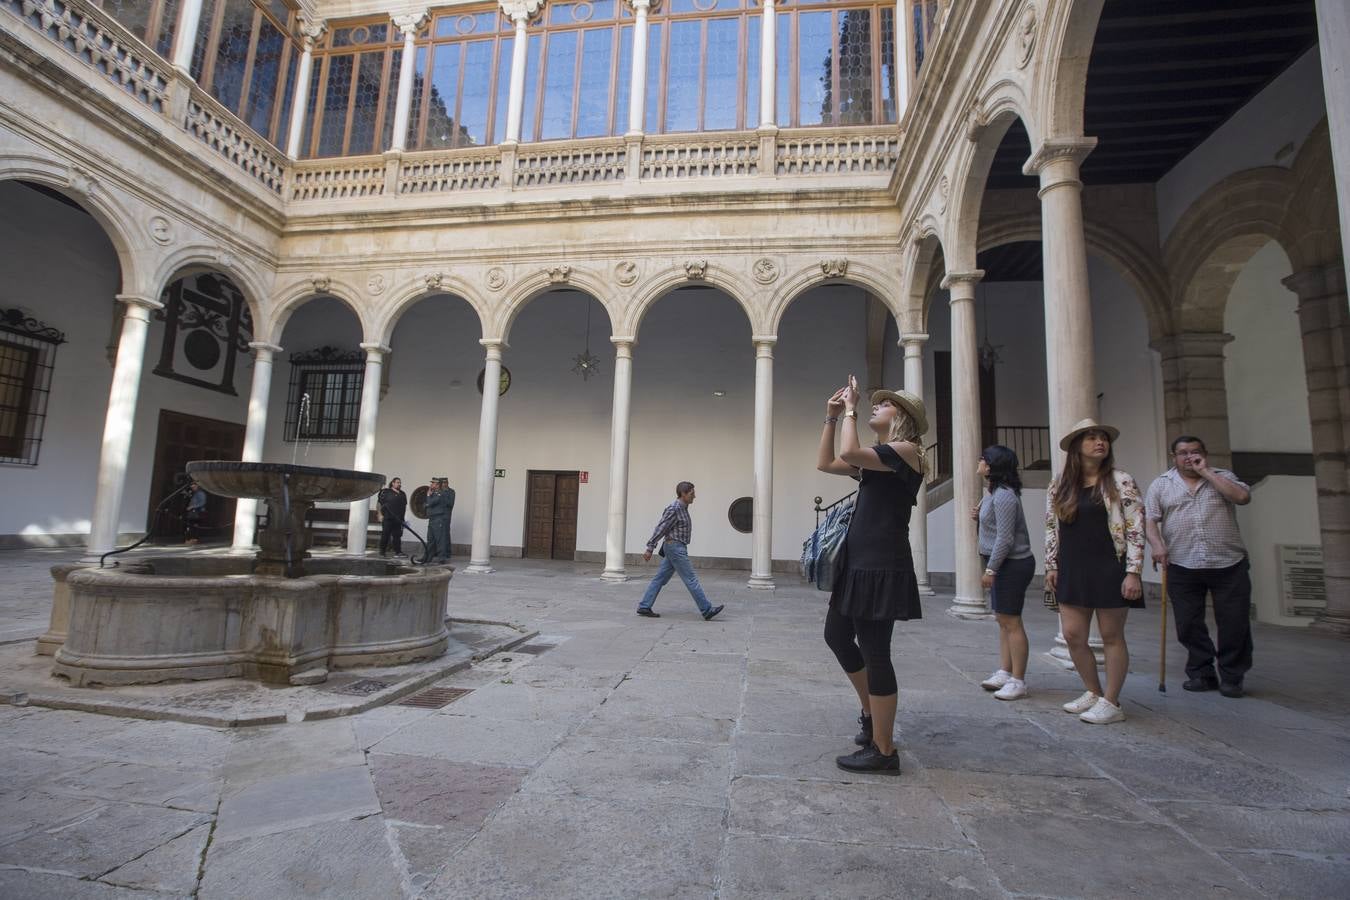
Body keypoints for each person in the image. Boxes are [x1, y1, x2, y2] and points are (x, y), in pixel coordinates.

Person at [816, 376, 925, 775]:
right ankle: (870, 713)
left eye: (886, 404)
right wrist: (831, 417)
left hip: (881, 565)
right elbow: (827, 462)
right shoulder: (879, 459)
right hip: (858, 565)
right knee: (837, 635)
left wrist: (851, 411)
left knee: (876, 652)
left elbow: (849, 449)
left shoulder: (906, 451)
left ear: (904, 417)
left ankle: (884, 749)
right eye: (874, 404)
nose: (877, 406)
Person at [1045, 418, 1145, 725]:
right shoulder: (1060, 484)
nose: (1099, 442)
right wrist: (1051, 564)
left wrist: (1133, 571)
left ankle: (1112, 701)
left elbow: (1135, 527)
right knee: (1074, 634)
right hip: (1073, 566)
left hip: (1109, 565)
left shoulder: (1120, 480)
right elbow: (1051, 527)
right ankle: (1092, 691)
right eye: (1091, 438)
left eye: (1103, 437)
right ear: (1078, 447)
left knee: (1111, 635)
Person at [1145, 436, 1253, 698]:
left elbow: (1241, 497)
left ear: (1204, 453)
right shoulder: (1161, 485)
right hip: (1182, 562)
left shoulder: (1223, 476)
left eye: (1194, 452)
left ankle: (1232, 676)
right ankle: (1201, 672)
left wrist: (1206, 472)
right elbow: (1150, 520)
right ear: (1174, 457)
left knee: (1234, 622)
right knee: (1188, 623)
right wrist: (1157, 545)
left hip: (1228, 562)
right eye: (1182, 453)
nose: (1188, 457)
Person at [975, 445, 1036, 700]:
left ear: (991, 466)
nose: (979, 462)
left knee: (1012, 622)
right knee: (1003, 621)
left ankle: (1018, 680)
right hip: (1001, 563)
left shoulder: (1004, 495)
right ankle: (1005, 670)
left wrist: (991, 569)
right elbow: (994, 527)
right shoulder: (991, 493)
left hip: (1011, 564)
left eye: (983, 459)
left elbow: (1006, 538)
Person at [636, 482, 724, 621]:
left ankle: (644, 606)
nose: (694, 496)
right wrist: (650, 547)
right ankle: (706, 610)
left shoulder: (683, 507)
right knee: (691, 579)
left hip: (675, 547)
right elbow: (661, 528)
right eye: (691, 493)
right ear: (683, 494)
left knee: (660, 579)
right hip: (675, 548)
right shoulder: (674, 508)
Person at [424, 478, 455, 564]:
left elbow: (430, 503)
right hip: (432, 518)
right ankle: (427, 557)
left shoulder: (440, 494)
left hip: (438, 519)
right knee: (430, 539)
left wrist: (428, 496)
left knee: (440, 539)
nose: (431, 485)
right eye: (432, 483)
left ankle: (442, 558)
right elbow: (426, 504)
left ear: (437, 485)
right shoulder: (433, 493)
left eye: (433, 483)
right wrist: (428, 500)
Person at [377, 477, 408, 557]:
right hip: (388, 518)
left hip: (398, 519)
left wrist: (403, 519)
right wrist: (379, 514)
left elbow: (404, 507)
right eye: (397, 482)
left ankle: (398, 552)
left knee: (397, 536)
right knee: (385, 535)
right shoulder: (386, 492)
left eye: (400, 482)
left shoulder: (402, 494)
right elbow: (379, 504)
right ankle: (382, 552)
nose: (399, 484)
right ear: (393, 483)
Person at [184, 480, 207, 544]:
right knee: (191, 526)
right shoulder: (195, 493)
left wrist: (192, 506)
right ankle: (191, 539)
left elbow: (202, 502)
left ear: (197, 486)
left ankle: (194, 539)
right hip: (193, 512)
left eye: (194, 487)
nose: (193, 488)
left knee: (195, 526)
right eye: (192, 487)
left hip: (197, 512)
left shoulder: (200, 493)